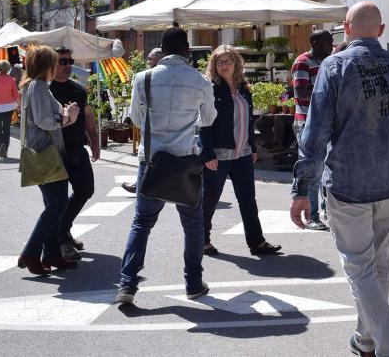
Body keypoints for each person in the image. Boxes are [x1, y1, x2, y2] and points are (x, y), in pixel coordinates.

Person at [291, 2, 389, 357]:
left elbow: (315, 134)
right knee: (379, 265)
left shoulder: (334, 66)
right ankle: (366, 339)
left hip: (349, 183)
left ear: (345, 29)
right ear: (381, 31)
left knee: (361, 270)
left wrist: (302, 189)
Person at [116, 27, 217, 305]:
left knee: (142, 223)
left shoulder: (143, 78)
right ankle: (193, 283)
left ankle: (128, 284)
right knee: (193, 225)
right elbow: (208, 119)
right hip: (185, 161)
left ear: (162, 49)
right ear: (186, 49)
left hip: (151, 160)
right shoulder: (200, 81)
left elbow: (136, 118)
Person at [199, 45, 281, 256]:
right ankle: (201, 239)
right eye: (220, 62)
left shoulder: (243, 88)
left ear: (236, 63)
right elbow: (204, 124)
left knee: (247, 199)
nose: (224, 65)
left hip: (242, 153)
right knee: (210, 198)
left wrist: (253, 147)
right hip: (218, 154)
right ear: (214, 65)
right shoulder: (210, 89)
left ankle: (257, 242)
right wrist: (207, 154)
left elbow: (247, 120)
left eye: (228, 61)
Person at [16, 46, 81, 276]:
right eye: (56, 62)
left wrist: (64, 113)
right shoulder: (39, 86)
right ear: (47, 65)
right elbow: (45, 121)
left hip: (45, 153)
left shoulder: (36, 85)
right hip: (46, 153)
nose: (58, 67)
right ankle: (31, 252)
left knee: (55, 205)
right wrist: (67, 117)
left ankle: (51, 254)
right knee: (57, 205)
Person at [50, 47, 100, 262]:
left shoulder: (78, 89)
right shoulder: (45, 90)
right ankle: (61, 240)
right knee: (58, 200)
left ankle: (65, 229)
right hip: (53, 153)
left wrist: (95, 143)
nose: (68, 65)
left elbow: (88, 117)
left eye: (70, 61)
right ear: (52, 64)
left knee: (86, 189)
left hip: (76, 150)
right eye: (63, 61)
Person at [291, 30, 334, 231]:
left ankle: (326, 211)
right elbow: (301, 92)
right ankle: (312, 216)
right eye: (328, 42)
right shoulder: (302, 62)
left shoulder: (327, 61)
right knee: (313, 170)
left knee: (325, 168)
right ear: (315, 42)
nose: (331, 45)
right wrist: (329, 90)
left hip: (325, 122)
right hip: (308, 123)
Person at [121, 48, 163, 195]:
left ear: (158, 59)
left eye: (150, 58)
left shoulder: (144, 78)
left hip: (154, 134)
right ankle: (140, 184)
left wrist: (143, 125)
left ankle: (141, 186)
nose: (148, 61)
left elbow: (135, 116)